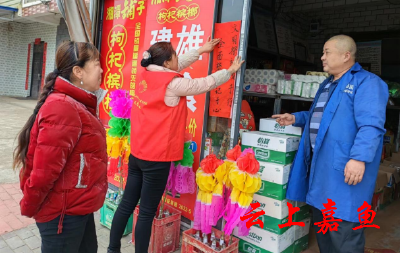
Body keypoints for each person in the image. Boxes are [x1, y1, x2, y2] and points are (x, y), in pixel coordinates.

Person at [107, 39, 244, 253]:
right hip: (156, 159)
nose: (177, 60)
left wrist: (200, 50)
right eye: (175, 57)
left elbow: (174, 68)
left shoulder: (146, 75)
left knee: (126, 204)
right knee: (146, 213)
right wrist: (230, 70)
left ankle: (112, 249)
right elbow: (204, 83)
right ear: (167, 62)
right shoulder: (172, 84)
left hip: (137, 154)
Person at [272, 35, 388, 253]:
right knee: (325, 231)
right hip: (323, 171)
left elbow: (371, 126)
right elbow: (323, 117)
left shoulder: (367, 83)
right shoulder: (327, 84)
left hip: (345, 171)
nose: (322, 57)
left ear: (346, 56)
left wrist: (359, 158)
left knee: (344, 236)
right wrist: (296, 118)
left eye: (327, 52)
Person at [14, 41, 108, 253]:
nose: (102, 69)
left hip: (77, 208)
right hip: (62, 217)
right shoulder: (63, 106)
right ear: (78, 71)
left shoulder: (77, 104)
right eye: (96, 63)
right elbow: (44, 171)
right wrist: (30, 206)